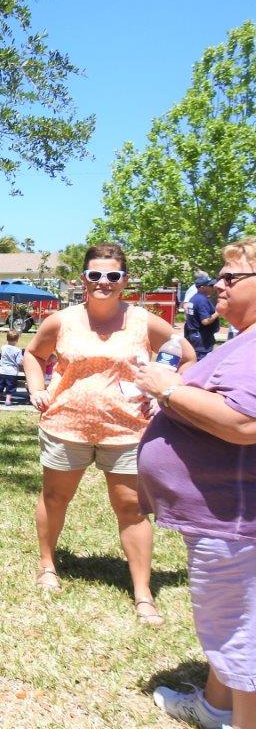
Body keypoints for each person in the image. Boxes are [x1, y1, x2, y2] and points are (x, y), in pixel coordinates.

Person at [23, 242, 196, 626]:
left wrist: (166, 394)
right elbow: (33, 355)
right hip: (66, 426)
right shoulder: (61, 321)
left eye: (113, 275)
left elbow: (186, 358)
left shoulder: (144, 321)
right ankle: (47, 565)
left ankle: (143, 592)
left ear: (124, 280)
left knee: (131, 509)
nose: (104, 282)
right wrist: (37, 389)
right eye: (95, 274)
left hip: (127, 429)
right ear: (83, 278)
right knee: (55, 497)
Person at [135, 237, 256, 729]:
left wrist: (167, 388)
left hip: (235, 522)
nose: (216, 285)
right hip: (224, 518)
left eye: (231, 277)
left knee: (241, 637)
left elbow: (244, 423)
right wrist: (172, 400)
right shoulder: (245, 339)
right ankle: (214, 707)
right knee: (230, 628)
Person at [185, 273, 220, 361]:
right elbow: (205, 321)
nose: (213, 287)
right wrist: (218, 312)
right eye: (210, 285)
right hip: (202, 339)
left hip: (195, 336)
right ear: (202, 287)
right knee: (201, 363)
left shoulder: (195, 298)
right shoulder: (201, 300)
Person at [0, 330, 23, 406]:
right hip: (12, 372)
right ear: (17, 340)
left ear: (7, 339)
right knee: (10, 387)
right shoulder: (18, 350)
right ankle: (7, 401)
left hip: (2, 371)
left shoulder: (3, 347)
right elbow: (19, 362)